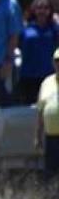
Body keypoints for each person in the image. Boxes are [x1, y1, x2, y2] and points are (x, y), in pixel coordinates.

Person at [18, 0, 59, 103]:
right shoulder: (25, 28)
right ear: (34, 10)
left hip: (49, 75)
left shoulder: (54, 29)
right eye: (39, 8)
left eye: (46, 8)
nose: (42, 11)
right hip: (28, 76)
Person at [37, 49, 59, 185]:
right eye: (57, 61)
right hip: (50, 136)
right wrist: (37, 134)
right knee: (51, 172)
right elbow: (40, 109)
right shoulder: (47, 82)